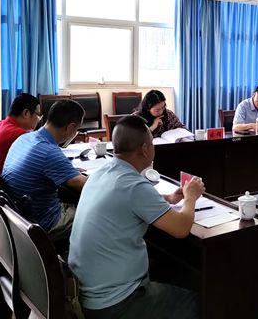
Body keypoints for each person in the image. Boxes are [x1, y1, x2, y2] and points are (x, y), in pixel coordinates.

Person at [68, 115, 204, 319]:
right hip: (117, 303)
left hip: (87, 291)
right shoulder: (134, 186)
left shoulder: (101, 173)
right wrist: (191, 197)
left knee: (170, 268)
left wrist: (168, 198)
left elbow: (127, 200)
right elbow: (181, 228)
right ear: (145, 149)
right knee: (202, 302)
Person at [2, 99, 86, 241]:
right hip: (45, 223)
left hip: (18, 218)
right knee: (94, 213)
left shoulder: (25, 138)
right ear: (71, 127)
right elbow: (86, 186)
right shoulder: (49, 151)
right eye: (77, 129)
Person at [0, 93, 42, 172]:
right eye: (38, 114)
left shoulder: (1, 124)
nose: (39, 119)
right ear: (26, 113)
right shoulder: (20, 135)